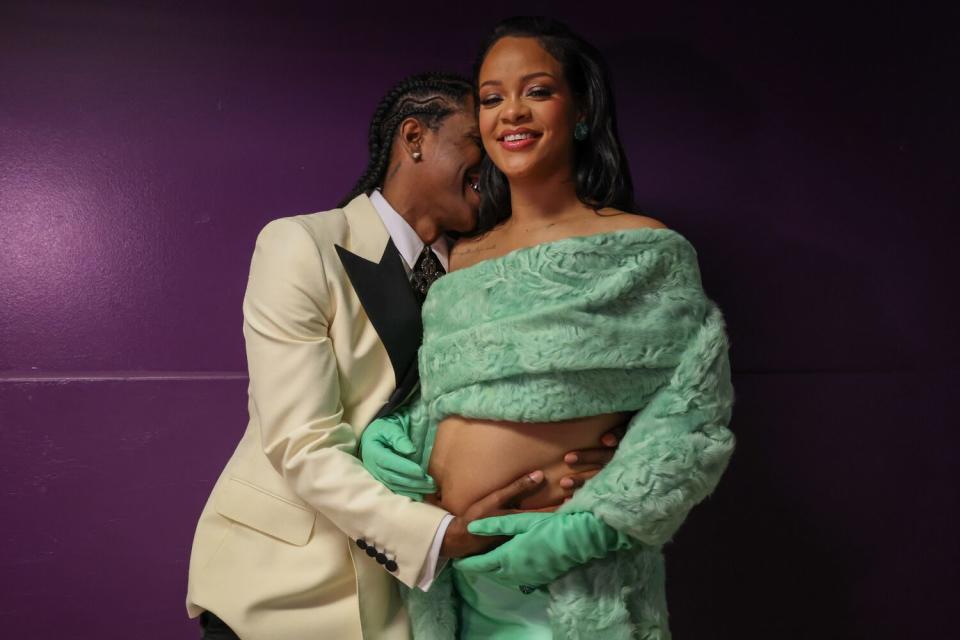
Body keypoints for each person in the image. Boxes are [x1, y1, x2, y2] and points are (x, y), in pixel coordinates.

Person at [185, 72, 620, 640]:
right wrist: (440, 535)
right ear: (414, 138)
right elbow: (302, 442)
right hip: (280, 593)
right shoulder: (301, 245)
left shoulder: (489, 270)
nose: (496, 167)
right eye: (477, 145)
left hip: (416, 607)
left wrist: (597, 452)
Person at [361, 17, 736, 639]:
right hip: (453, 569)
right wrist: (391, 437)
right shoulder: (463, 256)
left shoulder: (645, 249)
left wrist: (582, 531)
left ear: (582, 109)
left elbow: (693, 416)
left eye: (536, 91)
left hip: (569, 578)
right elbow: (448, 391)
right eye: (491, 98)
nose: (511, 112)